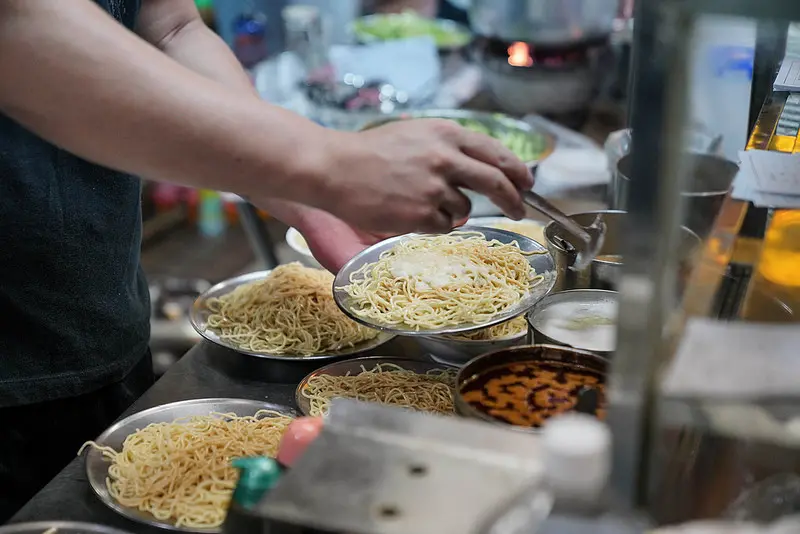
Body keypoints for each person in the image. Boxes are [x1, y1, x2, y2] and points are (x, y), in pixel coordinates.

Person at [0, 0, 531, 520]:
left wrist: (314, 202)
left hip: (98, 311)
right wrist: (327, 162)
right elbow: (19, 28)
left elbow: (171, 28)